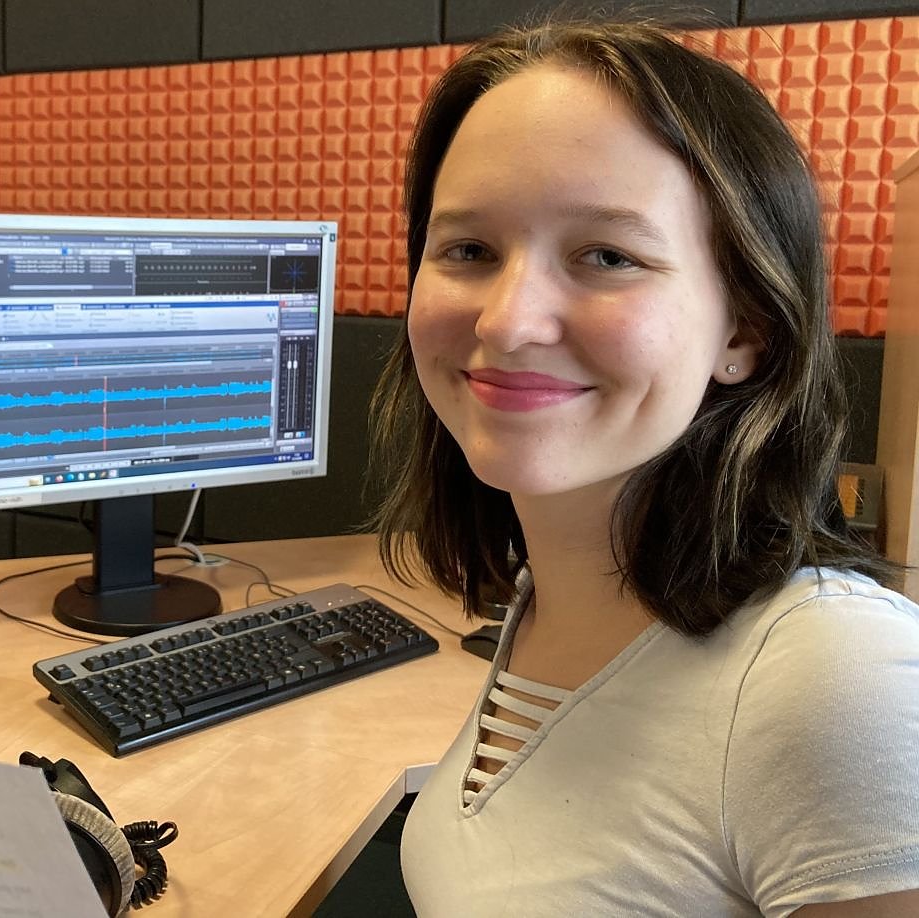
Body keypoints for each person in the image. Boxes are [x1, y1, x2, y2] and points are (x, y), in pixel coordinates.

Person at [368, 15, 919, 917]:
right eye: (469, 250)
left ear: (745, 329)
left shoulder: (835, 678)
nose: (508, 322)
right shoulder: (546, 595)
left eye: (607, 257)